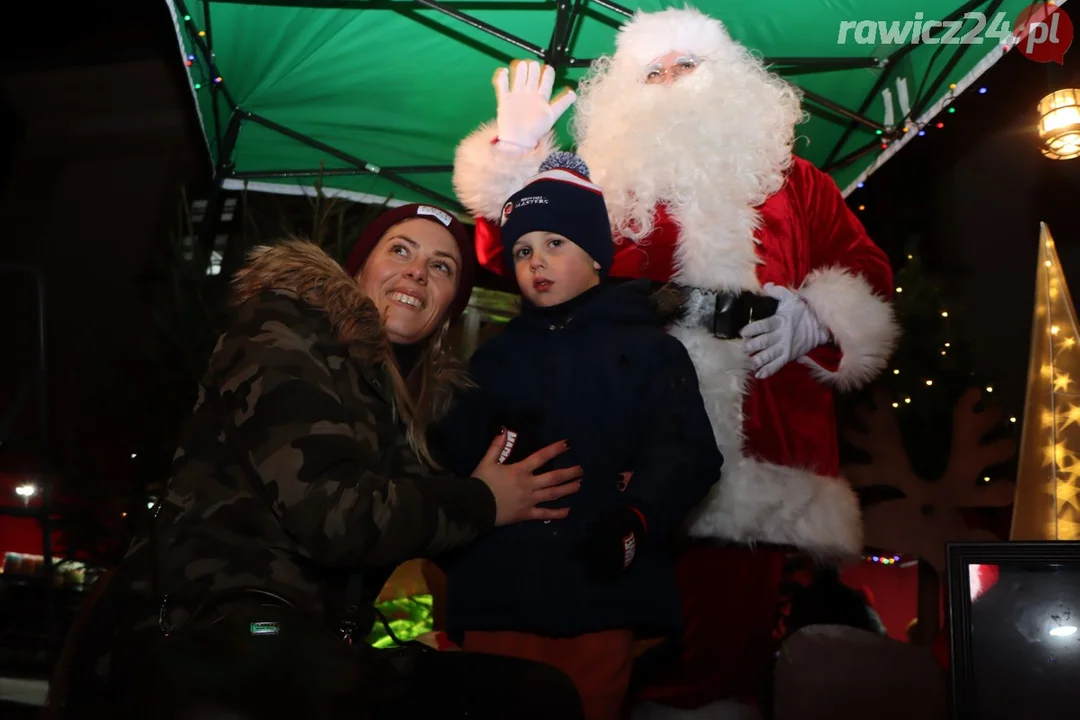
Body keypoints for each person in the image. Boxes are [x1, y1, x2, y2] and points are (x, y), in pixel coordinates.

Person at [452, 6, 899, 716]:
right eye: (648, 72)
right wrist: (514, 159)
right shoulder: (597, 185)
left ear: (728, 78)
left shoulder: (799, 184)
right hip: (612, 456)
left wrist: (815, 317)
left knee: (727, 661)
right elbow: (504, 251)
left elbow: (868, 270)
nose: (666, 83)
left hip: (760, 461)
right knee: (598, 653)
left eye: (684, 67)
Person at [49, 203, 587, 720]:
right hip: (218, 629)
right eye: (401, 250)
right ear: (357, 272)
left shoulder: (406, 414)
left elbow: (443, 525)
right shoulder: (283, 331)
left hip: (317, 646)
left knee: (535, 696)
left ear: (448, 309)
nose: (418, 272)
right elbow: (335, 516)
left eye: (441, 266)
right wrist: (485, 501)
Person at [433, 152, 722, 720]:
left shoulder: (650, 350)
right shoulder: (492, 359)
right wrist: (473, 494)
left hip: (596, 594)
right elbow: (451, 459)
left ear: (595, 255)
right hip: (497, 592)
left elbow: (686, 452)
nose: (536, 261)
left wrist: (634, 521)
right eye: (522, 250)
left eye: (555, 243)